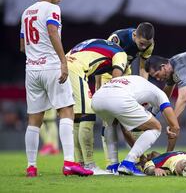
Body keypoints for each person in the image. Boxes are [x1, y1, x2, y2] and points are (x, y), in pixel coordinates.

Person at [20, 0, 92, 177]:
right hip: (51, 66)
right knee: (67, 109)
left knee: (34, 119)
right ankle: (69, 163)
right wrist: (63, 61)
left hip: (32, 69)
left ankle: (31, 167)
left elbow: (22, 46)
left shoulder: (26, 12)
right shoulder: (52, 8)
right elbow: (53, 32)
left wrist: (35, 56)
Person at [91, 75, 180, 176]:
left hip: (97, 98)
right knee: (156, 127)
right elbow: (175, 127)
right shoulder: (160, 94)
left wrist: (141, 155)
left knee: (111, 125)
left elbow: (125, 130)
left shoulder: (137, 83)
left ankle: (113, 166)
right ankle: (128, 163)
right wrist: (166, 159)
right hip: (119, 98)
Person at [97, 22, 155, 167]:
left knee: (130, 117)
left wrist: (143, 90)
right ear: (135, 35)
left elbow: (143, 68)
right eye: (141, 43)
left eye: (145, 44)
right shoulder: (118, 38)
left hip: (125, 75)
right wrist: (98, 86)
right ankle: (111, 163)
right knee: (110, 120)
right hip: (107, 75)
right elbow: (100, 60)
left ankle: (135, 159)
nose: (143, 47)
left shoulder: (149, 44)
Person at [66, 38, 127, 175]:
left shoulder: (96, 44)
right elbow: (116, 78)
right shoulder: (120, 52)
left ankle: (80, 164)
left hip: (63, 66)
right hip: (76, 70)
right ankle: (89, 165)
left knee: (77, 116)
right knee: (88, 114)